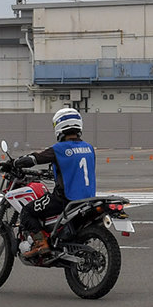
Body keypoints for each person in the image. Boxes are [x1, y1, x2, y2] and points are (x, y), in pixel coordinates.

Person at [15, 107, 97, 259]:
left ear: (59, 126)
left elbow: (35, 158)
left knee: (27, 212)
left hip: (64, 199)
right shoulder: (89, 148)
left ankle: (41, 244)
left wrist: (17, 162)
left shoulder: (59, 149)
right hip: (88, 198)